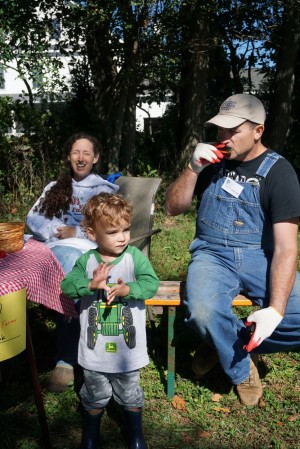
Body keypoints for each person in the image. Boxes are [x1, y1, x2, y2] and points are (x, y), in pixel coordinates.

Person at [165, 93, 300, 406]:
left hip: (260, 256)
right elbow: (172, 208)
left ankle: (222, 341)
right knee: (202, 313)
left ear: (258, 130)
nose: (223, 137)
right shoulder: (212, 164)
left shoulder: (280, 174)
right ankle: (239, 367)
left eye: (232, 130)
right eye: (220, 129)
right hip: (212, 255)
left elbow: (285, 248)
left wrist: (277, 309)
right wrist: (192, 168)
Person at [60, 192, 159, 449]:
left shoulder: (133, 257)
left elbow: (151, 284)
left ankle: (135, 434)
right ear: (92, 233)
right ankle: (91, 433)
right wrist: (90, 284)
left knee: (130, 391)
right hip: (95, 350)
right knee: (95, 392)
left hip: (127, 351)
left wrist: (129, 290)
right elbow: (67, 287)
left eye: (126, 229)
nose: (123, 237)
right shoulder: (87, 261)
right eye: (113, 232)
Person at [27, 132, 119, 392]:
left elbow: (112, 226)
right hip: (57, 248)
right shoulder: (55, 187)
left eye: (86, 153)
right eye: (76, 152)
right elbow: (34, 219)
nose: (80, 158)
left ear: (96, 158)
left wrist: (76, 232)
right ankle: (89, 356)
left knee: (75, 271)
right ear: (69, 156)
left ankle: (66, 357)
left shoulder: (103, 190)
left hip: (90, 250)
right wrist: (58, 229)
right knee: (67, 265)